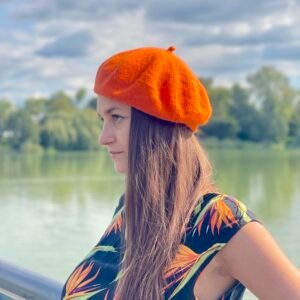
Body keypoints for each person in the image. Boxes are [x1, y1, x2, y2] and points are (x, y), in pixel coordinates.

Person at [61, 46, 300, 300]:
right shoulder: (129, 208)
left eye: (116, 117)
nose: (103, 138)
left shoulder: (221, 222)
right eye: (102, 120)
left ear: (157, 125)